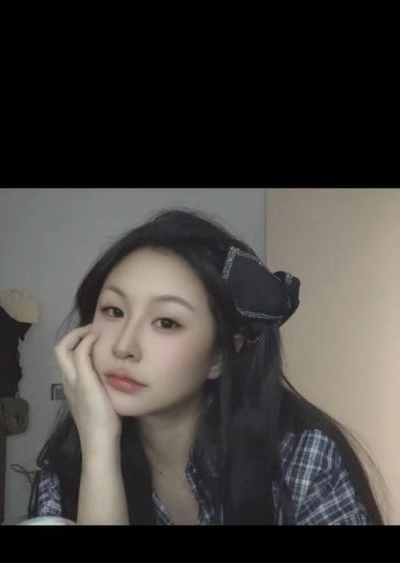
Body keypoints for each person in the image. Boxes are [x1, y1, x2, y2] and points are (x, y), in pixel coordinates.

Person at [26, 209, 387, 525]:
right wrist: (99, 448)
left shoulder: (301, 459)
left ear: (220, 356)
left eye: (166, 322)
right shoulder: (69, 468)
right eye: (114, 311)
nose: (123, 346)